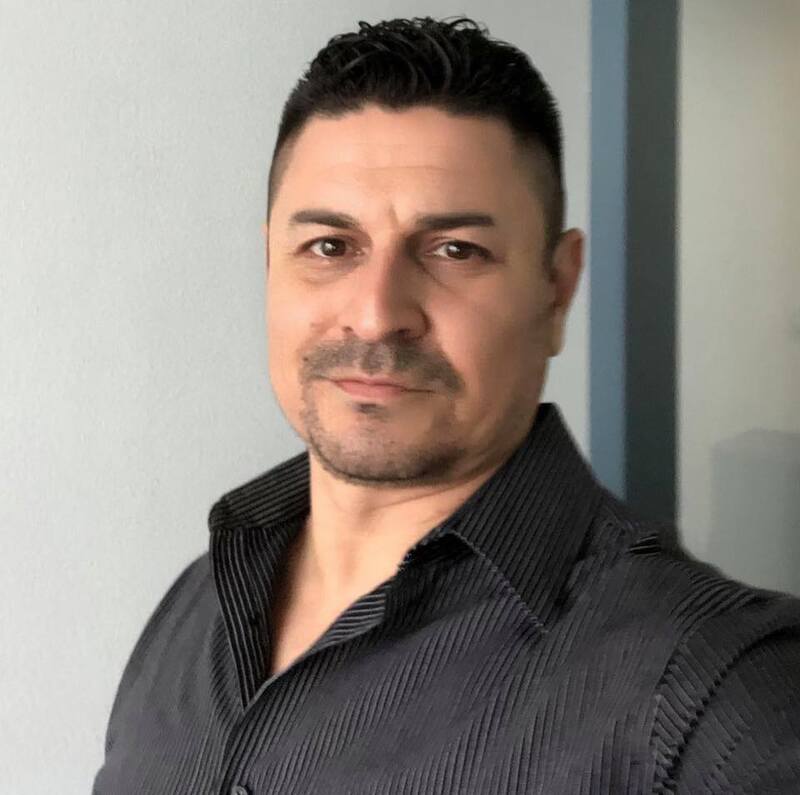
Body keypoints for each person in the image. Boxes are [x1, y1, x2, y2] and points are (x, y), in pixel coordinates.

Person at [93, 15, 800, 794]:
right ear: (271, 263)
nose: (376, 313)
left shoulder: (719, 691)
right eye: (330, 246)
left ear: (557, 289)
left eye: (455, 250)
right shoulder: (196, 608)